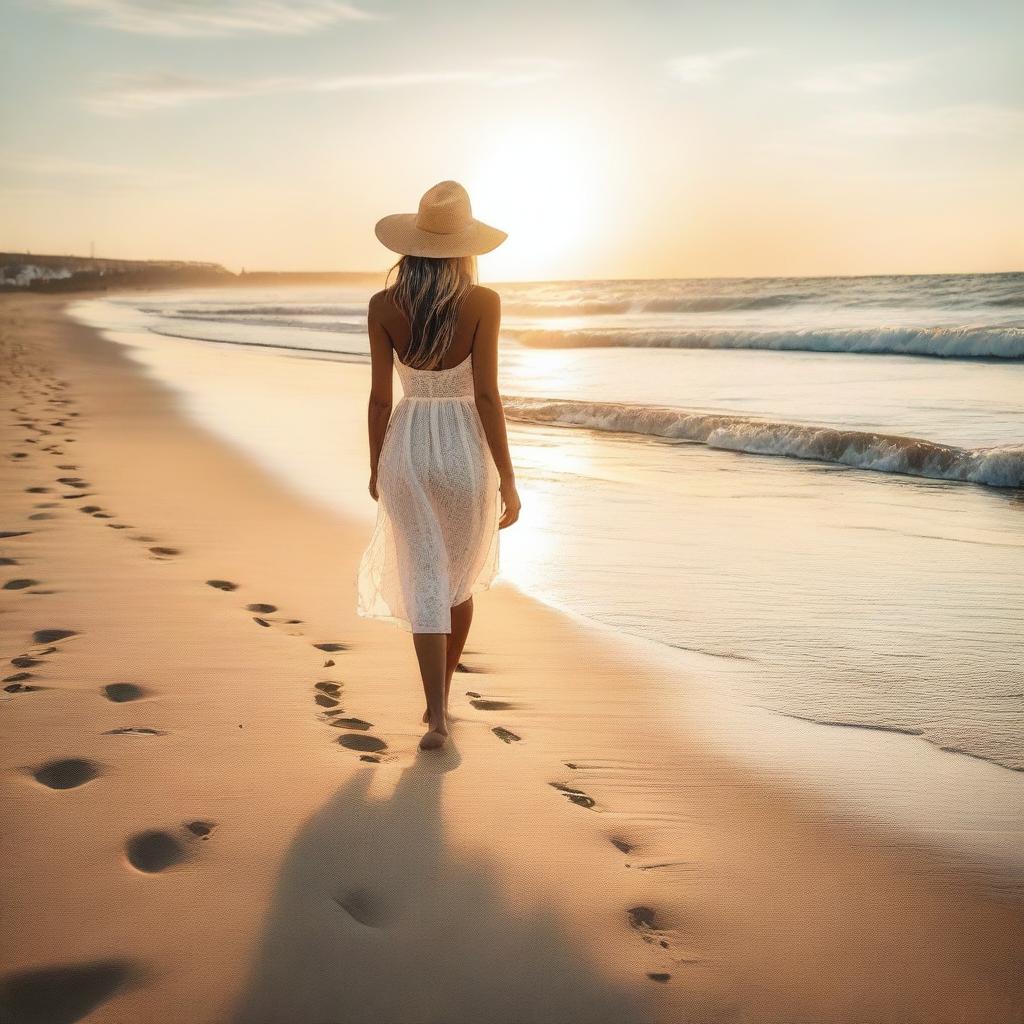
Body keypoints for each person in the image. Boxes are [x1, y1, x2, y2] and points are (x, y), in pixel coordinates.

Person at [356, 180, 522, 751]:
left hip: (406, 445)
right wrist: (509, 478)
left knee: (424, 575)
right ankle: (442, 700)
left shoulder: (383, 306)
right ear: (465, 246)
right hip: (463, 450)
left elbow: (380, 399)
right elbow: (487, 397)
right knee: (456, 579)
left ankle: (436, 713)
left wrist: (378, 465)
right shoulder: (483, 303)